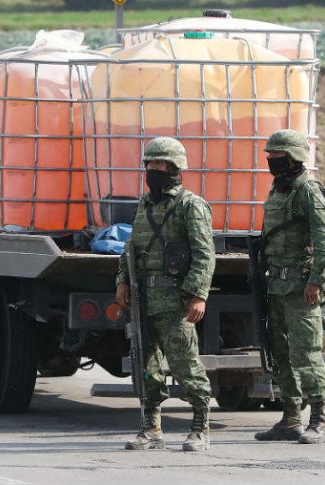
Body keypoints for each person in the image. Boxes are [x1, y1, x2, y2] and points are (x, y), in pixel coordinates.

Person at [115, 136, 216, 452]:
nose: (154, 169)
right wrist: (122, 281)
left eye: (160, 164)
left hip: (175, 301)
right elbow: (131, 247)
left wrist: (198, 295)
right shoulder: (144, 205)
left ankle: (200, 427)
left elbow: (204, 254)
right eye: (150, 164)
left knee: (186, 364)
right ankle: (151, 428)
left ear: (174, 167)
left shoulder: (190, 205)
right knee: (146, 366)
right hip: (143, 299)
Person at [255, 129, 325, 444]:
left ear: (294, 158)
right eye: (270, 155)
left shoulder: (307, 191)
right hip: (275, 285)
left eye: (277, 155)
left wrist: (316, 280)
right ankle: (290, 418)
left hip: (301, 288)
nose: (271, 160)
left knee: (306, 352)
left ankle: (319, 419)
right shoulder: (278, 189)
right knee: (279, 353)